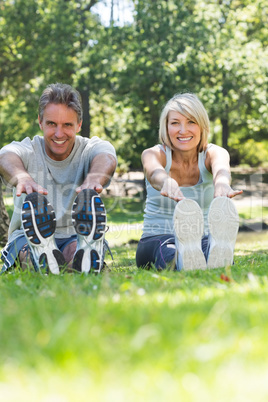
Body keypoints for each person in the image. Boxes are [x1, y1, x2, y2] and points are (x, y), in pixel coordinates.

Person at [0, 83, 117, 274]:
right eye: (51, 124)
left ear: (79, 124)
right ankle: (42, 254)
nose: (59, 133)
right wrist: (22, 177)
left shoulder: (88, 149)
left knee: (73, 256)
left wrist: (93, 179)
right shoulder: (28, 149)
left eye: (67, 125)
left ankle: (85, 250)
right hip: (26, 236)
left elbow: (107, 155)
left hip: (74, 234)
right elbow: (5, 155)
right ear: (40, 122)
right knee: (27, 255)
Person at [136, 93, 243, 271]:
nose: (183, 130)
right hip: (157, 238)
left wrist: (222, 184)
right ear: (166, 126)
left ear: (202, 126)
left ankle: (214, 252)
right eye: (175, 123)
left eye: (191, 122)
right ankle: (183, 258)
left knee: (210, 249)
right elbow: (154, 171)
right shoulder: (153, 154)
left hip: (202, 238)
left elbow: (221, 169)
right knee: (170, 252)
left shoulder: (215, 153)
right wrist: (165, 182)